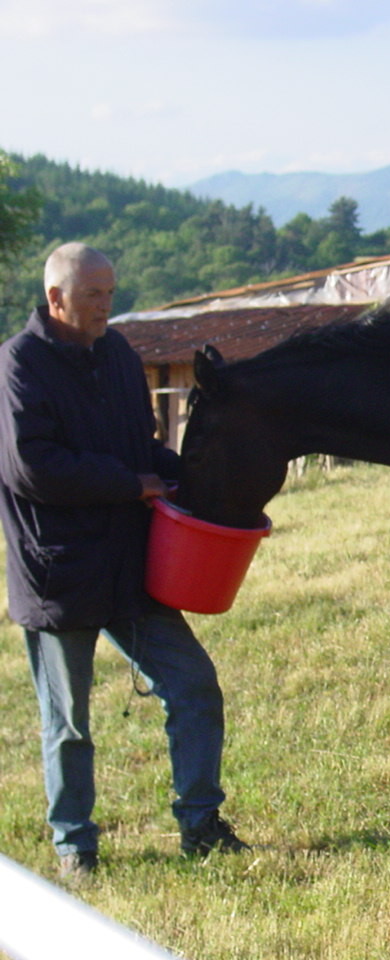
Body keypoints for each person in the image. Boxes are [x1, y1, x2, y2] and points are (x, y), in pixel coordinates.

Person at [0, 242, 248, 881]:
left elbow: (144, 445)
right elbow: (33, 468)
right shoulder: (17, 365)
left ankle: (201, 824)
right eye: (93, 295)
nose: (106, 306)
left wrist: (199, 479)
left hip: (133, 566)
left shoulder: (116, 354)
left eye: (110, 293)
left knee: (193, 685)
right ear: (57, 298)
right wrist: (131, 483)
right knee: (69, 724)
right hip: (59, 575)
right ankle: (74, 847)